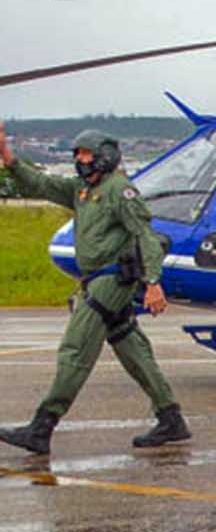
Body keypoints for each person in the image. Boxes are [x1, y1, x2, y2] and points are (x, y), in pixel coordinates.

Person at [0, 122, 189, 454]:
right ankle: (171, 418)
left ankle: (42, 427)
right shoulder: (83, 190)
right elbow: (43, 183)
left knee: (75, 350)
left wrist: (153, 282)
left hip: (110, 280)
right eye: (77, 154)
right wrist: (8, 157)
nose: (81, 159)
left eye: (86, 153)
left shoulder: (119, 190)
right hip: (98, 279)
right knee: (134, 351)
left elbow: (145, 234)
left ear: (103, 156)